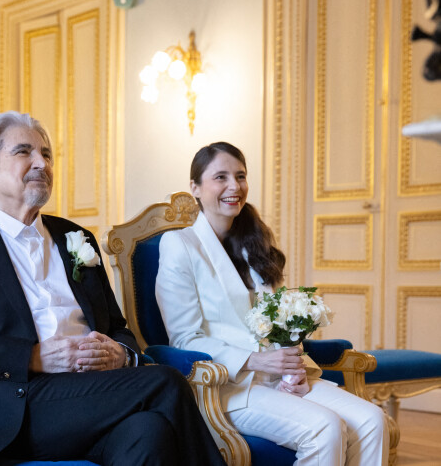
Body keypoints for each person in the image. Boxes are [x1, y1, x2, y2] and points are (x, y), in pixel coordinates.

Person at [0, 111, 226, 466]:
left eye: (46, 154)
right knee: (165, 384)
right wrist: (31, 357)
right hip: (19, 403)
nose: (40, 163)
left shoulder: (74, 237)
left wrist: (122, 355)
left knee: (148, 432)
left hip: (96, 394)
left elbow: (117, 328)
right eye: (23, 152)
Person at [155, 142, 389, 466]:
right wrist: (255, 361)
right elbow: (184, 339)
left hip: (284, 378)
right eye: (220, 177)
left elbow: (280, 324)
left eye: (240, 176)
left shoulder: (254, 244)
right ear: (195, 187)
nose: (234, 187)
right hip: (228, 387)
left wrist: (292, 368)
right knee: (327, 429)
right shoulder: (179, 245)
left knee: (373, 421)